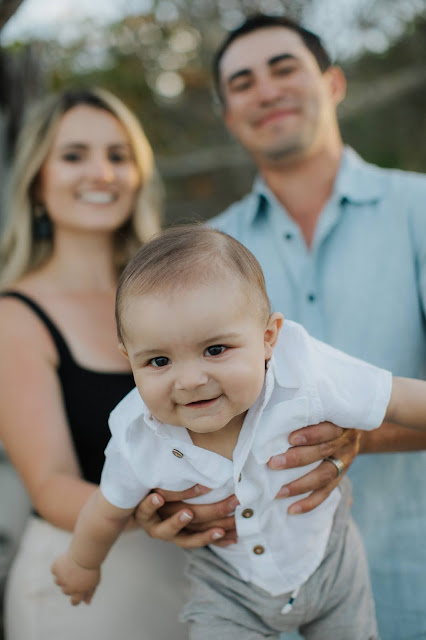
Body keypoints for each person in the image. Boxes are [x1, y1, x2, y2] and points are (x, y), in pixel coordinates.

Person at [52, 225, 426, 640]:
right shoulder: (136, 435)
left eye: (215, 350)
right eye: (158, 361)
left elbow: (399, 398)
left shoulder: (306, 371)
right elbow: (106, 510)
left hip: (328, 559)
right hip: (228, 586)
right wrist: (83, 563)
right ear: (129, 359)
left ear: (268, 338)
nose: (191, 379)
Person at [207, 13, 426, 639]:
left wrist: (361, 435)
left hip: (414, 577)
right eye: (243, 82)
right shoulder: (207, 253)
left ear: (332, 84)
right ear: (228, 115)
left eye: (284, 69)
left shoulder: (418, 210)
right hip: (268, 607)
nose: (267, 90)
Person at [0, 87, 192, 640]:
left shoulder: (176, 296)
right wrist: (147, 513)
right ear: (37, 179)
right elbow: (51, 482)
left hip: (193, 575)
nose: (101, 173)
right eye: (74, 155)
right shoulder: (17, 315)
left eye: (118, 155)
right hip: (84, 590)